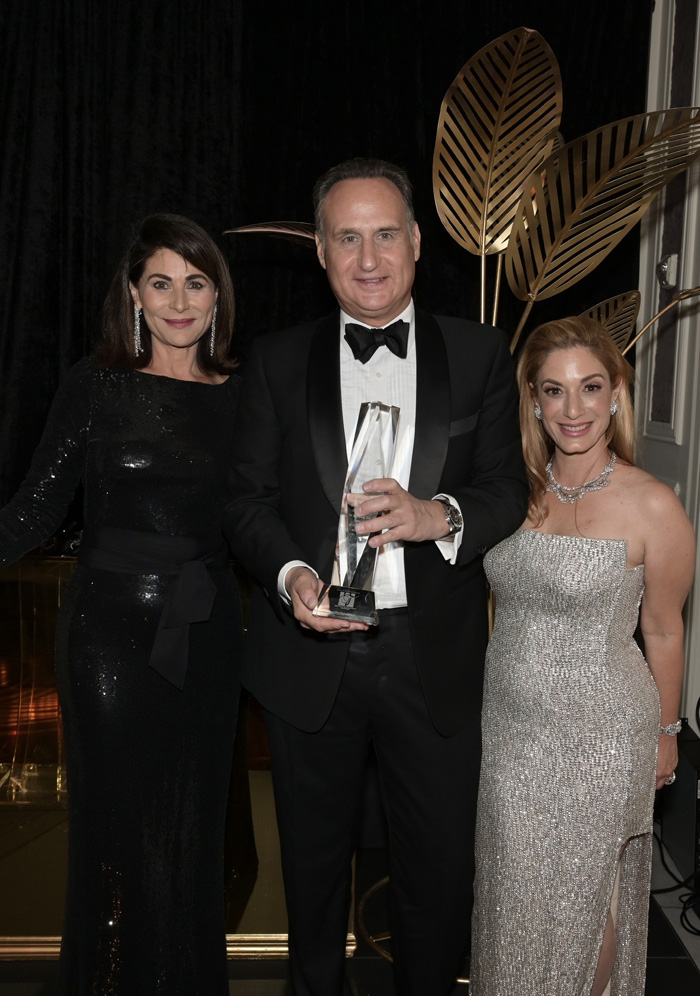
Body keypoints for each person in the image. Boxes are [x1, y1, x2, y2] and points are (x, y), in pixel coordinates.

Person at [226, 157, 528, 996]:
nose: (369, 256)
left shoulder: (478, 354)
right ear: (319, 251)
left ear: (418, 242)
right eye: (348, 237)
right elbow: (244, 502)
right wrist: (291, 576)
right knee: (314, 883)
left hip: (432, 662)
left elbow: (508, 488)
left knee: (435, 880)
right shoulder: (278, 361)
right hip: (310, 658)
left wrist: (442, 516)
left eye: (386, 233)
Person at [0, 214, 243, 995]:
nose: (179, 301)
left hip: (207, 637)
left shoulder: (242, 397)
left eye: (196, 283)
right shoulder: (94, 384)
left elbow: (263, 518)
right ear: (134, 294)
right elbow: (36, 509)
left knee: (191, 834)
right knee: (115, 840)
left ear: (217, 296)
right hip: (109, 639)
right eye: (161, 282)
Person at [470, 316, 696, 996]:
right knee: (510, 899)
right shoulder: (509, 493)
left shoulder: (654, 506)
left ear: (617, 392)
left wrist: (666, 733)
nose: (574, 410)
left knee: (584, 903)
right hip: (511, 733)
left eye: (591, 388)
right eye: (555, 391)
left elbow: (663, 629)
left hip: (604, 735)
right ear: (533, 400)